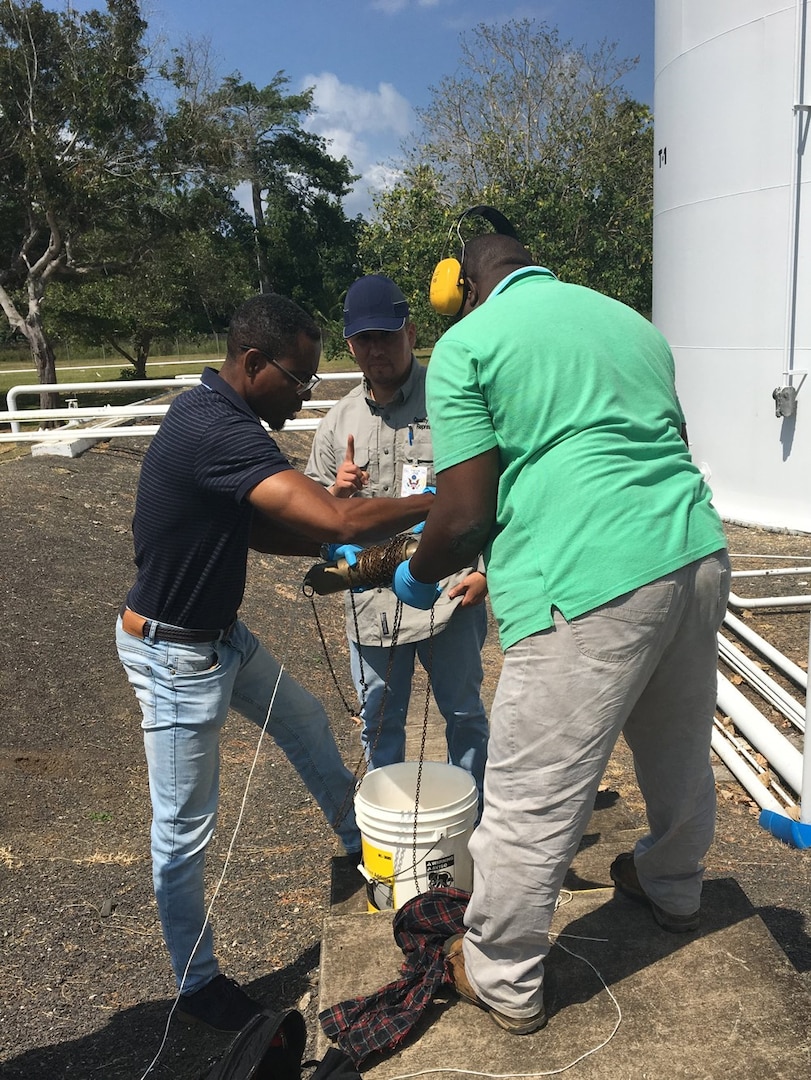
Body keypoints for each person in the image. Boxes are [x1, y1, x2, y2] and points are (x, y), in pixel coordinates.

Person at [392, 233, 730, 1034]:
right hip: (692, 551)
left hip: (587, 573)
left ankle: (500, 973)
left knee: (530, 789)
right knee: (676, 741)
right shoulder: (631, 324)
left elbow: (466, 512)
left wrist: (417, 572)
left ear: (462, 286)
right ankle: (674, 887)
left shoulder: (469, 343)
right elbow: (664, 448)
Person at [116, 293, 435, 1033]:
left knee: (304, 721)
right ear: (253, 363)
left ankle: (362, 850)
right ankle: (196, 984)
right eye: (297, 379)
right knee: (183, 827)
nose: (304, 394)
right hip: (173, 654)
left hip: (217, 636)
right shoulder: (214, 426)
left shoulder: (219, 417)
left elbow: (259, 529)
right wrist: (432, 502)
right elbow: (334, 513)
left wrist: (335, 551)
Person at [305, 274, 489, 805]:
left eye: (387, 335)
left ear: (411, 332)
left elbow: (490, 490)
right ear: (349, 345)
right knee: (379, 723)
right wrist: (333, 496)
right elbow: (311, 516)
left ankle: (469, 828)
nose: (377, 349)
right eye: (364, 339)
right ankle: (393, 823)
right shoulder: (338, 422)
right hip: (371, 604)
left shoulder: (451, 401)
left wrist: (483, 570)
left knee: (464, 714)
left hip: (449, 593)